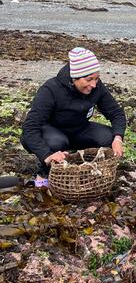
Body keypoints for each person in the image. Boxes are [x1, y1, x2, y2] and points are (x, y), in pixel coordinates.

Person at [21, 47, 126, 186]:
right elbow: (29, 129)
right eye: (89, 79)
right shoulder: (50, 90)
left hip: (79, 130)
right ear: (74, 77)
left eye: (96, 78)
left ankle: (87, 167)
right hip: (51, 132)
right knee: (57, 143)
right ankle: (43, 174)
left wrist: (118, 138)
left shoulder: (96, 87)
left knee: (109, 137)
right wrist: (46, 155)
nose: (93, 85)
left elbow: (116, 113)